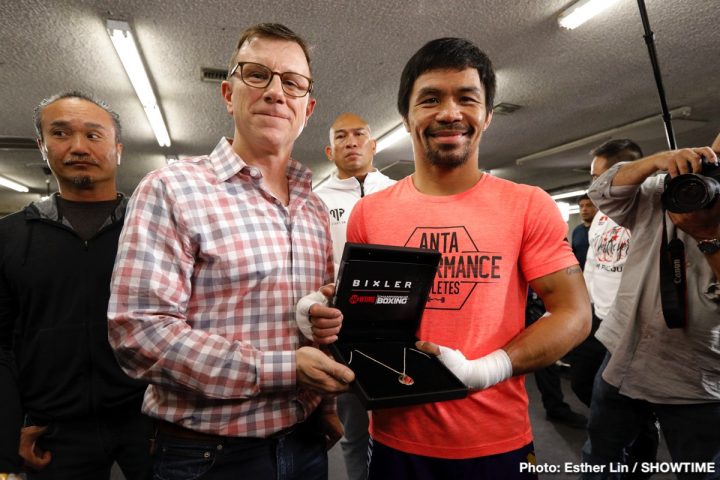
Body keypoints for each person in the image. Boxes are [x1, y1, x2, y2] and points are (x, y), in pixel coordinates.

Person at [302, 37, 591, 479]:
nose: (450, 112)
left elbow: (573, 312)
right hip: (397, 438)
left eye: (467, 98)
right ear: (407, 117)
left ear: (488, 115)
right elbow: (360, 314)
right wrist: (323, 311)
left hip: (497, 440)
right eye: (431, 99)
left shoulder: (528, 204)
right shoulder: (370, 212)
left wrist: (489, 368)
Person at [107, 23, 354, 480]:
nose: (277, 92)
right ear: (228, 92)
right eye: (257, 74)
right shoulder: (173, 188)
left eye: (293, 83)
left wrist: (326, 401)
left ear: (307, 107)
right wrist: (284, 369)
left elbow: (315, 319)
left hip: (305, 443)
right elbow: (138, 334)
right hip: (206, 455)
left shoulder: (314, 206)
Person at [0, 92, 152, 479]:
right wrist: (8, 431)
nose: (79, 146)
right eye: (62, 133)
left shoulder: (154, 228)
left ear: (117, 148)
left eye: (94, 135)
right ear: (42, 146)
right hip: (51, 428)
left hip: (149, 419)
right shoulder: (11, 236)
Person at [581, 135, 720, 479]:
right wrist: (660, 160)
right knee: (601, 460)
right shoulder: (664, 189)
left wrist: (707, 235)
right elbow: (602, 191)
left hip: (694, 381)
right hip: (622, 359)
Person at [315, 112, 395, 480]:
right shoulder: (314, 200)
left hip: (398, 325)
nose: (352, 141)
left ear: (373, 144)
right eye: (342, 137)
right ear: (330, 150)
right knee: (353, 428)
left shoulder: (401, 191)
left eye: (359, 134)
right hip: (342, 329)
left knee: (401, 424)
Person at [571, 194, 597, 270]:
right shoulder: (577, 231)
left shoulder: (601, 228)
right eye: (581, 206)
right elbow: (573, 255)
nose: (584, 209)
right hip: (581, 275)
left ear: (596, 207)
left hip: (598, 275)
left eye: (588, 205)